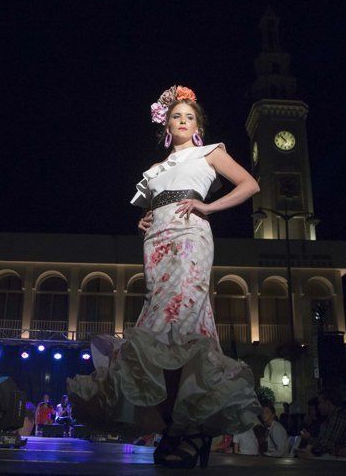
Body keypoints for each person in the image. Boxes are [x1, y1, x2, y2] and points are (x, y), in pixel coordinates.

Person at [67, 85, 262, 469]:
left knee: (182, 318)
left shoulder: (211, 153)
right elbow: (156, 202)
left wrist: (207, 206)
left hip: (191, 235)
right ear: (167, 126)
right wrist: (145, 218)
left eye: (190, 117)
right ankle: (179, 425)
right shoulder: (155, 170)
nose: (184, 121)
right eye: (177, 116)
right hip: (156, 242)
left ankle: (184, 428)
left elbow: (250, 184)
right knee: (159, 326)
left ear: (197, 125)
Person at [297, 389, 346, 458]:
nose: (318, 407)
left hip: (336, 461)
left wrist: (308, 438)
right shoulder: (329, 418)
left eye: (320, 402)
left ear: (328, 403)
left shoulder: (338, 417)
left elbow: (327, 446)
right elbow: (322, 442)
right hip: (329, 459)